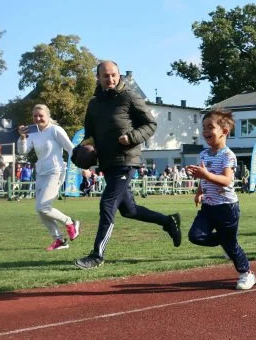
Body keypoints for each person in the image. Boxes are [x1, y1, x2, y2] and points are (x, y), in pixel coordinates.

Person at [75, 61, 182, 269]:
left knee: (107, 204)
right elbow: (89, 136)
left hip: (126, 161)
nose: (111, 79)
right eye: (106, 76)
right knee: (129, 210)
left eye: (114, 75)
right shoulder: (94, 104)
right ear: (98, 77)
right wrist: (81, 152)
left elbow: (151, 124)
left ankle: (97, 255)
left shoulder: (129, 97)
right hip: (107, 163)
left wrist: (132, 137)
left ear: (119, 75)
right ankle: (168, 222)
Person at [184, 109, 256, 290]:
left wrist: (206, 174)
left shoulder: (228, 155)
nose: (205, 131)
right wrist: (199, 191)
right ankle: (223, 241)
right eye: (204, 127)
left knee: (231, 245)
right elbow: (203, 178)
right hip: (208, 207)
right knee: (195, 236)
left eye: (210, 127)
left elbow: (226, 181)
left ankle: (246, 273)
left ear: (224, 132)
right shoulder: (203, 154)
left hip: (227, 208)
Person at [16, 104, 81, 250]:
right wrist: (22, 137)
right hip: (41, 173)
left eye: (41, 116)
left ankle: (70, 222)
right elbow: (23, 152)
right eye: (35, 116)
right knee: (41, 210)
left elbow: (71, 149)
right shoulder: (32, 131)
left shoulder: (55, 130)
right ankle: (59, 240)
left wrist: (81, 168)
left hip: (56, 171)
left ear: (48, 116)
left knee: (43, 206)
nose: (38, 119)